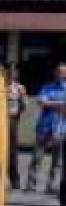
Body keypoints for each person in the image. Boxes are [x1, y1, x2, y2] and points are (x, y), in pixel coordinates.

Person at [29, 62, 66, 195]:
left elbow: (46, 102)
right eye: (58, 71)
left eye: (63, 72)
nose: (60, 74)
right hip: (44, 126)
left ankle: (51, 185)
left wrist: (50, 104)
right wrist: (60, 104)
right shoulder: (47, 86)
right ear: (55, 73)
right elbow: (41, 101)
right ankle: (31, 184)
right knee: (37, 157)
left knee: (57, 159)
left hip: (61, 128)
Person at [5, 64, 27, 190]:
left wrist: (22, 97)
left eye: (14, 71)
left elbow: (23, 108)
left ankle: (14, 179)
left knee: (12, 151)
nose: (12, 74)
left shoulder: (20, 88)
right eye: (9, 71)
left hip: (12, 120)